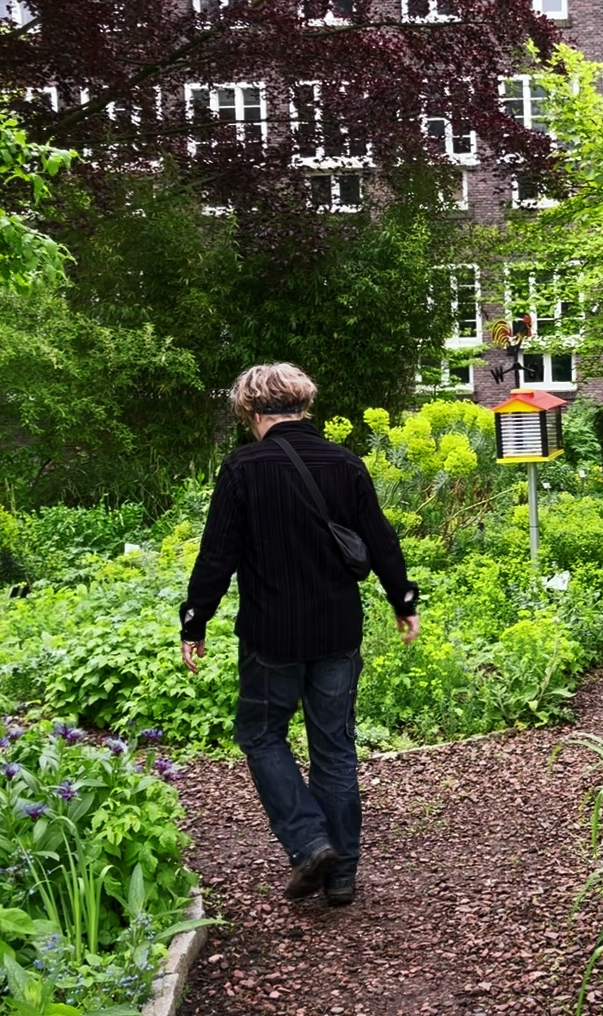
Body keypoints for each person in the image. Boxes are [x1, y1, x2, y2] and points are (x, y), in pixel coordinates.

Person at [179, 363, 420, 907]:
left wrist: (195, 621)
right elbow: (380, 539)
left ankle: (310, 841)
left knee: (262, 736)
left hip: (272, 633)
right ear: (304, 406)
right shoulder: (345, 463)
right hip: (337, 629)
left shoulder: (243, 467)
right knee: (334, 746)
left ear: (249, 410)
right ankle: (342, 875)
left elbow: (218, 553)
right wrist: (403, 600)